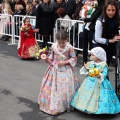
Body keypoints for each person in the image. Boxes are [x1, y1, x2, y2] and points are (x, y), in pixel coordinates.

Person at [38, 30, 80, 115]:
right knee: (53, 87)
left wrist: (64, 62)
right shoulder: (54, 46)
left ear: (66, 39)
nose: (61, 44)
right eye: (59, 42)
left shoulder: (69, 47)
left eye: (63, 42)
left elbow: (74, 58)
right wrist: (47, 59)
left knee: (64, 87)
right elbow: (52, 56)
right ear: (56, 40)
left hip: (66, 69)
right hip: (54, 69)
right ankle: (52, 103)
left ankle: (64, 104)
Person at [71, 47, 120, 114]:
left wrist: (100, 75)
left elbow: (105, 73)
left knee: (101, 96)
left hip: (99, 82)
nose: (91, 56)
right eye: (90, 55)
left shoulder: (103, 64)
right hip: (89, 81)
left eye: (92, 55)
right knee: (87, 94)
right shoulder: (90, 63)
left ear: (98, 56)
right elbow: (87, 71)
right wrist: (86, 68)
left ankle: (101, 110)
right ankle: (85, 107)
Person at [93, 0, 120, 66]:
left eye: (113, 10)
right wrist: (111, 40)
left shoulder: (117, 19)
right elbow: (97, 38)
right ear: (105, 10)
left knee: (106, 65)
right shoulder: (100, 21)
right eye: (108, 10)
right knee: (99, 67)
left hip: (110, 46)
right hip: (99, 45)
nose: (111, 12)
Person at [82, 0, 105, 64]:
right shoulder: (91, 7)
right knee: (84, 46)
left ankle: (93, 62)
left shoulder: (100, 8)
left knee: (92, 47)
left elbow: (93, 18)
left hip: (92, 29)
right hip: (86, 27)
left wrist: (84, 19)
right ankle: (84, 61)